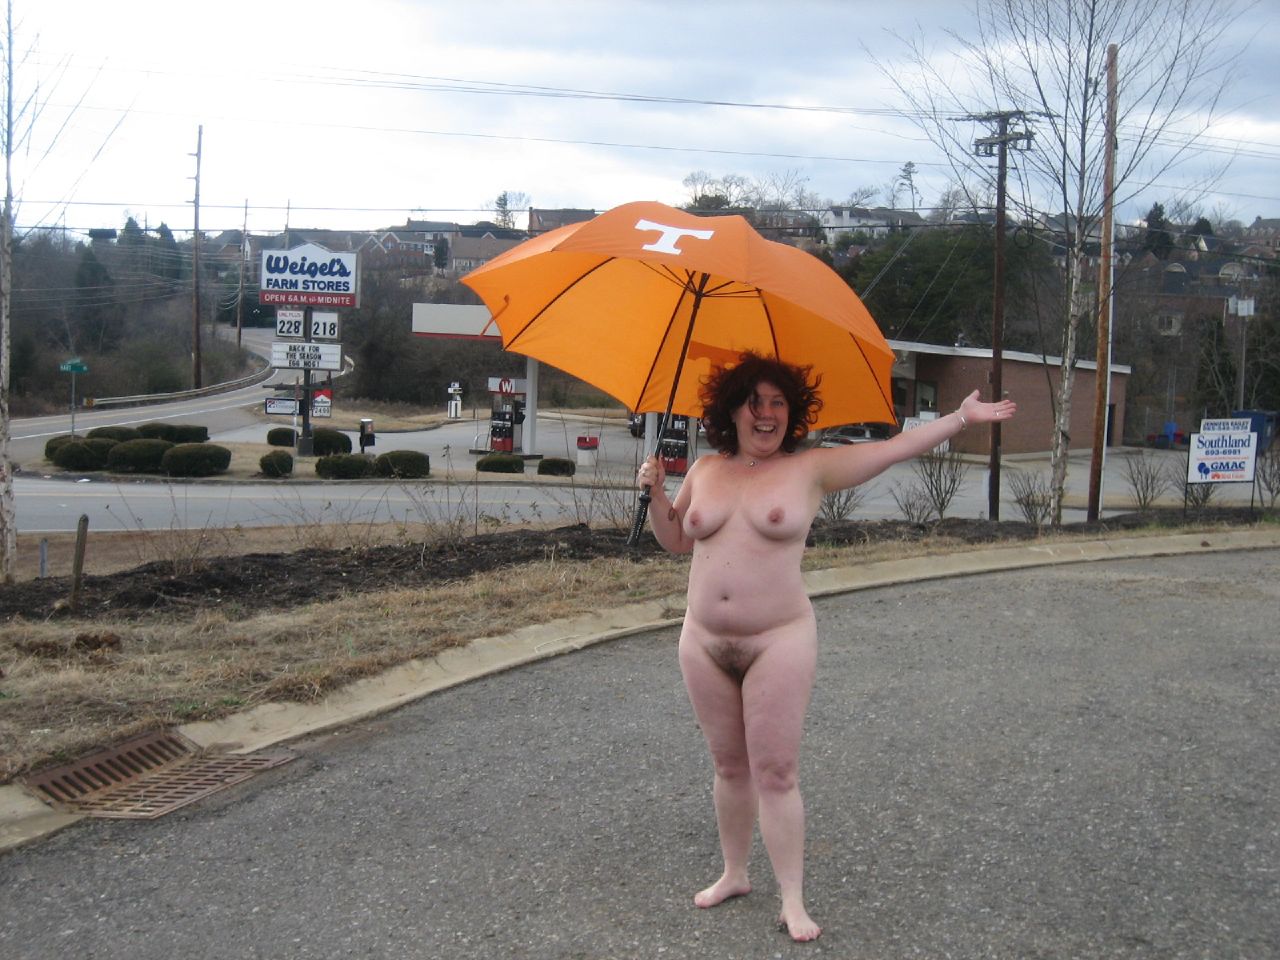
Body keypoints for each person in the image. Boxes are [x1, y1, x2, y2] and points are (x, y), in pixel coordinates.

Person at [636, 352, 1017, 942]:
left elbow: (894, 449)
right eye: (755, 402)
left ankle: (792, 899)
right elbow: (675, 542)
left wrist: (960, 418)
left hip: (777, 640)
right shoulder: (706, 469)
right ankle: (734, 872)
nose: (767, 414)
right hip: (702, 641)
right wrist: (659, 495)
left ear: (792, 413)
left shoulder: (810, 469)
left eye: (778, 403)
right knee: (729, 766)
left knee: (776, 772)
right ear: (732, 410)